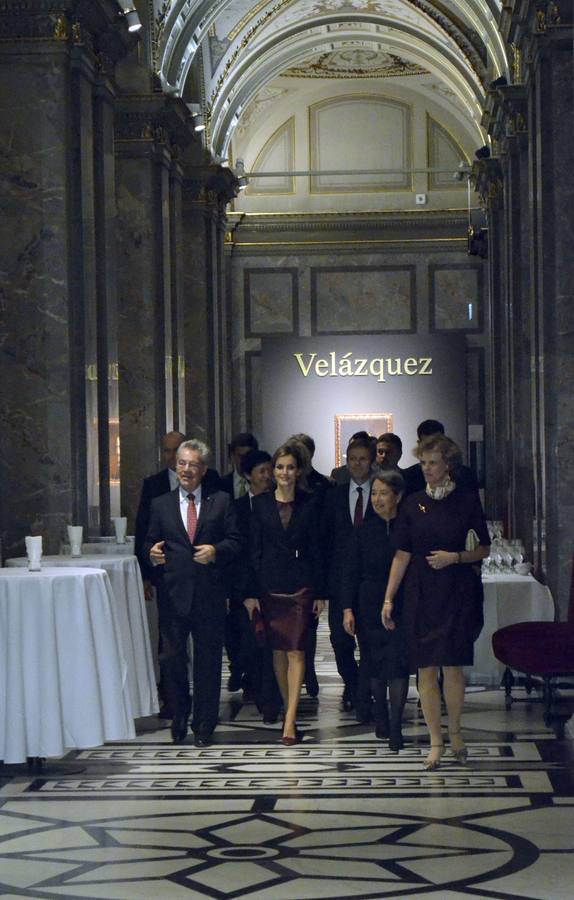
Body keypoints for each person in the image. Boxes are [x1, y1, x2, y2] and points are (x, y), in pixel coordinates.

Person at [382, 434, 490, 770]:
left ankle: (455, 732)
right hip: (421, 593)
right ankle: (435, 741)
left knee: (452, 665)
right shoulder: (412, 503)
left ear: (448, 465)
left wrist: (455, 557)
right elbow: (402, 554)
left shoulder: (467, 501)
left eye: (433, 463)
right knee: (425, 667)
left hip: (456, 590)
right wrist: (388, 598)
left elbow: (484, 548)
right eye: (423, 463)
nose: (426, 469)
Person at [144, 439, 242, 746]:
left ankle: (204, 724)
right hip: (173, 594)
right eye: (181, 463)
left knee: (208, 662)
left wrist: (215, 551)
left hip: (209, 594)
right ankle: (179, 714)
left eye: (193, 464)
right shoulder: (160, 504)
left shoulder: (221, 501)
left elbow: (236, 541)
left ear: (204, 469)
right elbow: (148, 541)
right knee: (172, 660)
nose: (186, 469)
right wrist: (152, 554)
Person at [245, 441, 326, 745]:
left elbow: (319, 549)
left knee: (297, 649)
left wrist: (321, 591)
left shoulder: (311, 503)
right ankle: (286, 705)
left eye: (290, 467)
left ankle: (290, 720)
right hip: (269, 586)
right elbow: (253, 551)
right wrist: (251, 592)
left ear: (299, 471)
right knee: (278, 651)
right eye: (279, 467)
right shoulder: (259, 504)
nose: (284, 472)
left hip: (301, 586)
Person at [341, 469, 410, 750]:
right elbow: (349, 572)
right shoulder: (362, 531)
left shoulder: (407, 527)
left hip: (402, 602)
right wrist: (347, 609)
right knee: (373, 662)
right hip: (368, 603)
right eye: (375, 493)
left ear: (398, 496)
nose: (378, 499)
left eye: (384, 493)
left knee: (398, 664)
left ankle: (396, 726)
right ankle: (380, 717)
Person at [322, 436, 376, 717]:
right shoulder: (334, 496)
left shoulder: (380, 493)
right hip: (339, 580)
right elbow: (324, 540)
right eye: (352, 459)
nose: (357, 464)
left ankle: (364, 693)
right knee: (340, 639)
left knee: (368, 640)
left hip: (371, 579)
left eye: (362, 459)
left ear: (371, 461)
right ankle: (352, 683)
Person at [402, 420, 479, 496]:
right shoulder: (410, 476)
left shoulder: (465, 475)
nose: (432, 449)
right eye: (428, 445)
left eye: (436, 443)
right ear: (419, 444)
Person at [220, 432, 259, 498]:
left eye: (248, 456)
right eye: (240, 456)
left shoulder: (263, 484)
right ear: (232, 457)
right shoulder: (221, 484)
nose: (244, 460)